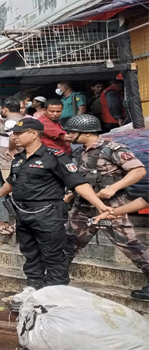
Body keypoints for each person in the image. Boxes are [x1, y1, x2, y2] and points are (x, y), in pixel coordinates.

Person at [0, 119, 109, 289]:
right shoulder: (19, 159)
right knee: (30, 254)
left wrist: (100, 205)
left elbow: (77, 183)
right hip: (23, 214)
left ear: (34, 133)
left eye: (19, 133)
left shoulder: (55, 157)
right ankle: (33, 289)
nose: (14, 137)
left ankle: (56, 295)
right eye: (13, 133)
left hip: (48, 214)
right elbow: (12, 182)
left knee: (53, 256)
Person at [62, 114, 149, 300]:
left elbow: (139, 170)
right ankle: (56, 281)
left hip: (111, 207)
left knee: (130, 245)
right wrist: (69, 195)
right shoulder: (78, 152)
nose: (68, 134)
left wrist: (115, 187)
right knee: (68, 242)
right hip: (83, 206)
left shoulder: (112, 148)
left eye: (72, 132)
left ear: (84, 133)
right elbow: (78, 178)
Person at [0, 96, 25, 181]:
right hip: (15, 161)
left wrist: (11, 149)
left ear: (5, 109)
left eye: (1, 108)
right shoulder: (22, 120)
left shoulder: (10, 122)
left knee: (12, 189)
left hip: (9, 163)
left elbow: (14, 136)